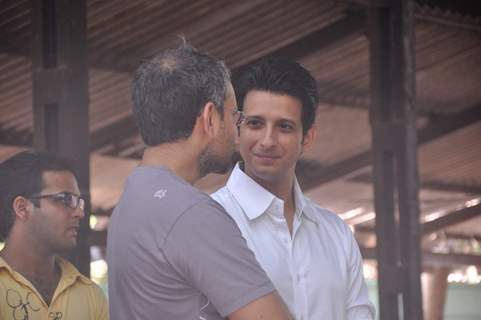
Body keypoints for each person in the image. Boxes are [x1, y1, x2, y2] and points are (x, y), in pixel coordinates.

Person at [107, 43, 291, 320]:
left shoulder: (132, 199)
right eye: (234, 116)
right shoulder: (192, 214)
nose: (236, 132)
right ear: (209, 118)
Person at [212, 57, 375, 320]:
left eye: (284, 127)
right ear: (237, 128)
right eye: (255, 123)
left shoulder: (336, 234)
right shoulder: (209, 222)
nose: (267, 141)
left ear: (307, 137)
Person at [0, 150, 108, 320]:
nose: (79, 213)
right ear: (22, 208)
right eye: (65, 199)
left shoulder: (89, 295)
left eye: (79, 202)